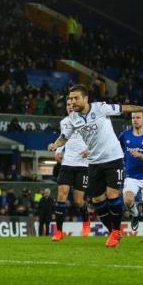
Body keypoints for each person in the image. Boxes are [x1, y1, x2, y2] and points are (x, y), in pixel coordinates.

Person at [48, 85, 143, 248]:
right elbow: (65, 136)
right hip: (93, 162)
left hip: (113, 158)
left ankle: (116, 231)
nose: (72, 101)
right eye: (70, 99)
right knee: (97, 199)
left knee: (112, 195)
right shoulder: (72, 119)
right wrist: (55, 145)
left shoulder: (100, 108)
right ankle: (112, 230)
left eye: (75, 98)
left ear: (85, 99)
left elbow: (125, 108)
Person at [51, 97, 90, 242]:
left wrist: (89, 150)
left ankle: (86, 221)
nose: (70, 107)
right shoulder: (64, 122)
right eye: (68, 105)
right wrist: (57, 150)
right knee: (62, 195)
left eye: (72, 105)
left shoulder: (86, 121)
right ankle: (59, 232)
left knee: (78, 201)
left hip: (82, 165)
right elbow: (63, 138)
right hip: (67, 163)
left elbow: (95, 140)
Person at [119, 111, 143, 242]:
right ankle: (134, 214)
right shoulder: (124, 136)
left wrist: (140, 155)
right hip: (131, 176)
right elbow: (116, 150)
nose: (135, 120)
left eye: (138, 117)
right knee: (128, 200)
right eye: (133, 118)